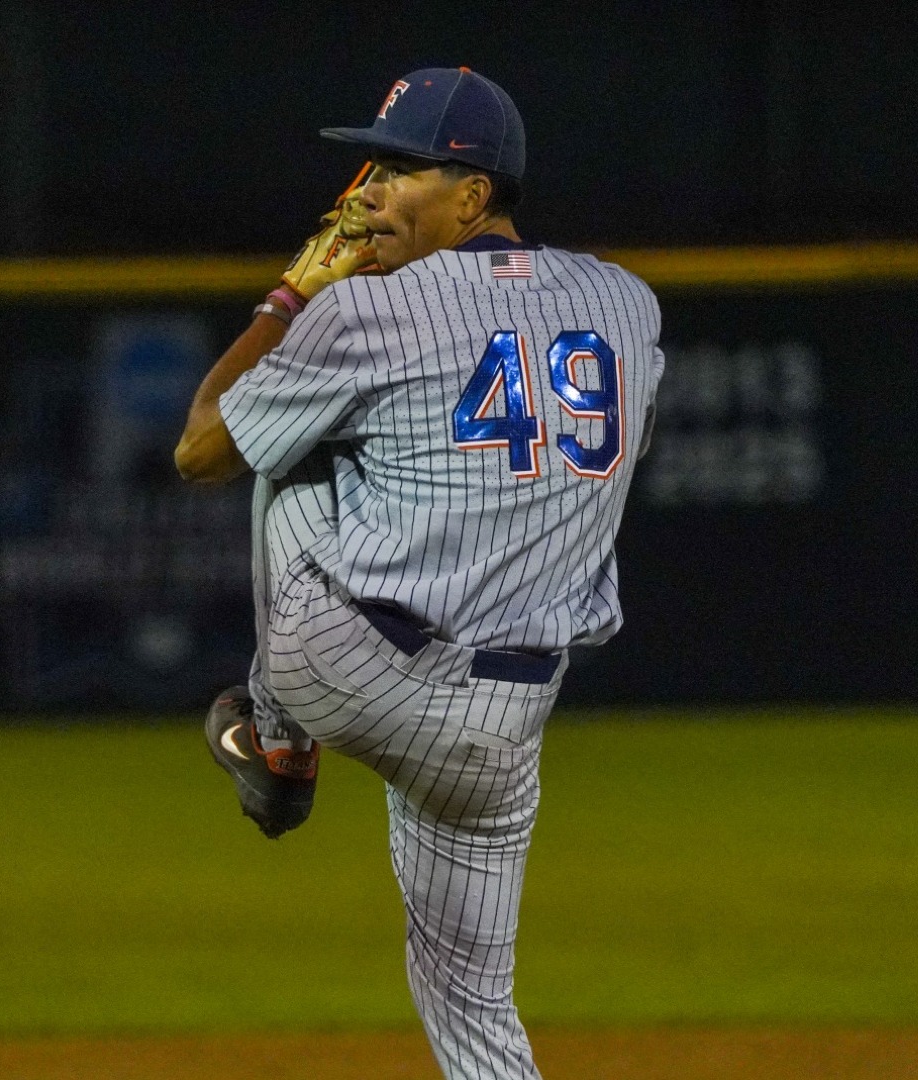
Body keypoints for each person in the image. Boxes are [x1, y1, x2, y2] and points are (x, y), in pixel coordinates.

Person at [174, 66, 664, 1080]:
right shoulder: (627, 305)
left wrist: (295, 291)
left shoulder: (366, 314)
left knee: (295, 445)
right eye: (376, 166)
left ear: (473, 196)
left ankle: (276, 741)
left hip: (347, 673)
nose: (371, 193)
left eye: (404, 171)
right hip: (506, 728)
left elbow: (201, 450)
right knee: (474, 1004)